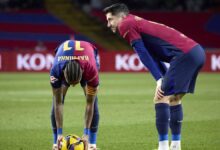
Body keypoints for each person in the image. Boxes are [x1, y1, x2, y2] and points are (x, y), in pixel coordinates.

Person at [103, 3, 205, 150]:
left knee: (160, 97)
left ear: (122, 16)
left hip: (184, 55)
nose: (108, 24)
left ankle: (163, 147)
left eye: (110, 19)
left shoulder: (126, 24)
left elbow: (142, 53)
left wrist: (159, 80)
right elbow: (153, 56)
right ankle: (176, 145)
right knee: (174, 98)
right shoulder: (136, 22)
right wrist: (162, 77)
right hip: (197, 52)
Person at [50, 40, 100, 150]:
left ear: (82, 75)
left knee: (93, 100)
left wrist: (86, 134)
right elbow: (58, 103)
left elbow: (89, 104)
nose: (72, 86)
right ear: (64, 75)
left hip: (88, 56)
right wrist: (59, 134)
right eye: (70, 83)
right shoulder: (56, 70)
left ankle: (92, 144)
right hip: (63, 58)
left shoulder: (92, 72)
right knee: (57, 99)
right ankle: (56, 142)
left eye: (75, 83)